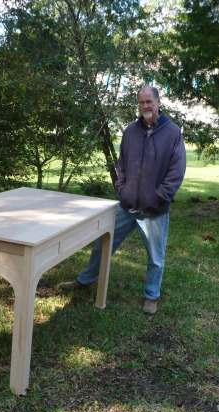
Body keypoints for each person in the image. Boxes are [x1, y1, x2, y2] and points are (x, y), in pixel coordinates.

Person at [60, 85, 186, 314]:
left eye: (149, 101)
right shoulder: (130, 132)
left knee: (155, 257)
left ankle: (151, 296)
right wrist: (122, 188)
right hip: (127, 206)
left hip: (154, 209)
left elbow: (176, 172)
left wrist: (160, 197)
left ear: (159, 102)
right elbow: (122, 164)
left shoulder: (173, 132)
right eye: (141, 102)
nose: (145, 106)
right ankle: (85, 280)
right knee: (102, 245)